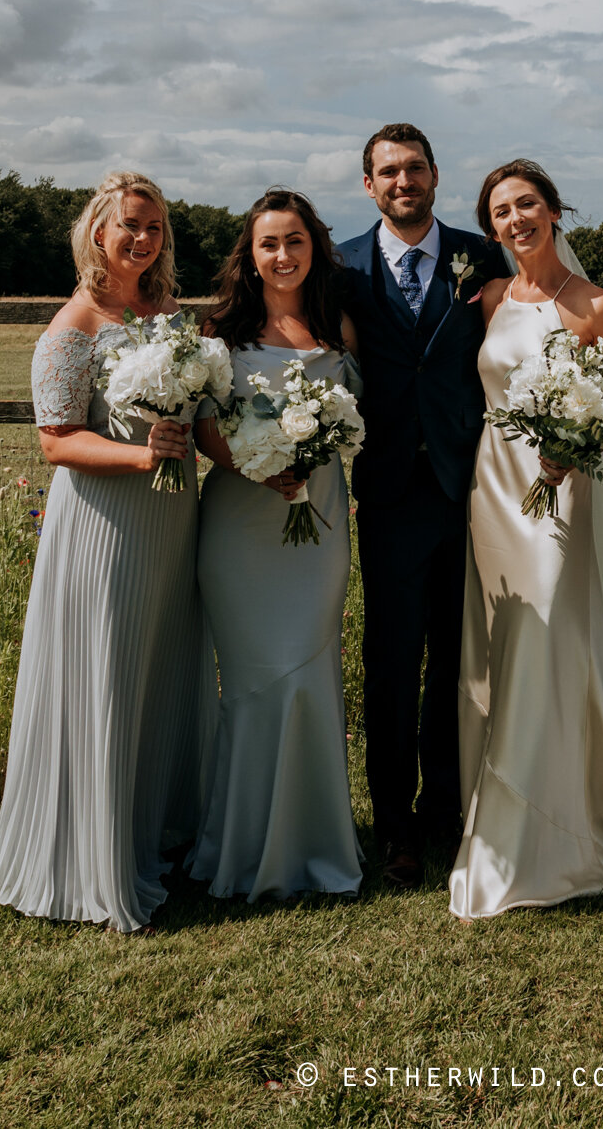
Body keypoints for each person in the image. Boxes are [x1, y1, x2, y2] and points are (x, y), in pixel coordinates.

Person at [0, 172, 210, 932]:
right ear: (98, 233)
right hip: (106, 525)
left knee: (161, 670)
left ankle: (158, 831)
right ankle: (92, 855)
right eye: (129, 226)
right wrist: (143, 457)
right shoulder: (74, 324)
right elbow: (55, 439)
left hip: (173, 525)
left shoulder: (171, 311)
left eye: (154, 227)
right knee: (107, 670)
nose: (142, 238)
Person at [449, 160, 603, 919]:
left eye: (526, 203)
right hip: (492, 487)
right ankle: (497, 817)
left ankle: (552, 830)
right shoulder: (493, 296)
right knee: (502, 641)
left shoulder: (595, 306)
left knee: (550, 639)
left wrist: (576, 443)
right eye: (500, 210)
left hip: (560, 491)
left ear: (555, 210)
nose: (514, 219)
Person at [338, 123, 506, 886]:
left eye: (414, 168)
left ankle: (448, 805)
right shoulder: (340, 265)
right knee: (391, 662)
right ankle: (395, 825)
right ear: (368, 184)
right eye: (387, 172)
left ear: (435, 174)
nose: (402, 181)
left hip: (469, 487)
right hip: (388, 494)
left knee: (459, 661)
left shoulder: (485, 254)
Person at [189, 191, 366, 902]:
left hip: (316, 524)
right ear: (250, 254)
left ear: (314, 247)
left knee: (308, 676)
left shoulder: (337, 325)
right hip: (240, 524)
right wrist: (255, 464)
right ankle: (238, 848)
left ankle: (317, 843)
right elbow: (204, 426)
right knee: (256, 685)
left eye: (295, 241)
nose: (283, 255)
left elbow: (356, 416)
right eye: (269, 243)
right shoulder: (221, 330)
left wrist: (319, 445)